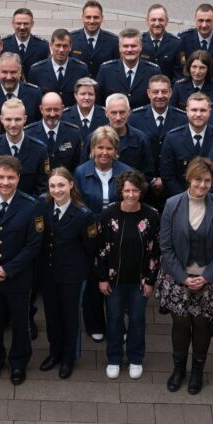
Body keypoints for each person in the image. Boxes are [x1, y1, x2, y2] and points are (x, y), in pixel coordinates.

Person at [157, 157, 213, 395]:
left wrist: (207, 276)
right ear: (189, 178)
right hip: (178, 277)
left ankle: (197, 370)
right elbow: (165, 247)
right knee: (180, 323)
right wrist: (182, 277)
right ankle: (178, 369)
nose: (202, 184)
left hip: (208, 278)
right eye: (198, 179)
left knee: (201, 325)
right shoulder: (172, 204)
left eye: (207, 181)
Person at [0, 155, 42, 385]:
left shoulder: (31, 205)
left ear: (18, 178)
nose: (5, 182)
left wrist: (7, 268)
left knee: (20, 322)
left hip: (18, 277)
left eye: (10, 177)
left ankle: (18, 363)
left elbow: (33, 245)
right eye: (1, 177)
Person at [95, 170, 160, 381]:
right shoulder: (108, 214)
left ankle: (135, 358)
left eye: (135, 190)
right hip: (114, 279)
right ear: (120, 191)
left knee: (137, 319)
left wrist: (150, 280)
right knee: (113, 318)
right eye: (127, 190)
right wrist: (102, 277)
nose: (131, 195)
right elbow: (101, 249)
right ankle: (114, 358)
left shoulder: (152, 215)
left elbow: (155, 251)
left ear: (141, 191)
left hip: (140, 280)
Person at [36, 168, 97, 379]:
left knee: (70, 317)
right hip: (48, 273)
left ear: (71, 185)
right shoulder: (42, 206)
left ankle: (69, 358)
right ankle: (55, 353)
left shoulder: (84, 215)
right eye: (52, 186)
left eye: (61, 185)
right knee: (52, 316)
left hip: (72, 275)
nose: (56, 190)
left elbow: (90, 248)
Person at [73, 126, 130, 342]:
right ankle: (95, 323)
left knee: (118, 279)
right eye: (100, 147)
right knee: (93, 278)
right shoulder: (80, 172)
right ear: (92, 149)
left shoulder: (125, 171)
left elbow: (131, 200)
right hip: (91, 233)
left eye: (109, 148)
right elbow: (78, 203)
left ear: (116, 150)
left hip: (119, 233)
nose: (104, 153)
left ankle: (117, 324)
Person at [159, 92, 213, 197]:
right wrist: (186, 198)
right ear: (187, 111)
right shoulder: (172, 138)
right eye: (194, 110)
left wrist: (209, 197)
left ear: (209, 112)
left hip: (212, 199)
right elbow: (168, 176)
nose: (198, 114)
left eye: (203, 110)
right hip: (181, 198)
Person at [0, 99, 49, 195]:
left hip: (30, 207)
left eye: (18, 119)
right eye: (8, 119)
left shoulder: (39, 149)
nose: (13, 124)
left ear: (25, 119)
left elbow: (42, 188)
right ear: (1, 119)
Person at [129, 75, 185, 185]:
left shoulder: (183, 119)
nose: (160, 96)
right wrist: (151, 180)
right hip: (143, 184)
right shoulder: (134, 118)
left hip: (174, 184)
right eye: (155, 92)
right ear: (148, 93)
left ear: (170, 92)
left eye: (164, 91)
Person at [91, 93, 154, 182]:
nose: (118, 117)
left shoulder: (140, 139)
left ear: (129, 112)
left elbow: (147, 174)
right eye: (113, 113)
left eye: (122, 112)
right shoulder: (94, 138)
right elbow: (85, 170)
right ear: (106, 113)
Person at [96, 28, 160, 109]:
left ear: (140, 47)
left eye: (133, 46)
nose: (129, 50)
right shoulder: (106, 70)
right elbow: (98, 101)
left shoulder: (153, 71)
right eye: (125, 46)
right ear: (119, 48)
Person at [29, 29, 90, 108]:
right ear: (51, 46)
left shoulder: (81, 69)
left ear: (70, 47)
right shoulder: (36, 70)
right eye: (58, 45)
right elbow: (33, 100)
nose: (61, 50)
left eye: (65, 46)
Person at [26, 92, 84, 173]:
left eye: (56, 110)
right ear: (41, 109)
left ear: (62, 109)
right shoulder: (29, 134)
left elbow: (78, 166)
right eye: (48, 110)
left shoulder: (74, 133)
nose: (52, 114)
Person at [0, 53, 43, 117]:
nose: (9, 77)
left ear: (20, 73)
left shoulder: (34, 94)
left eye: (13, 72)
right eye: (5, 72)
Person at [70, 0, 118, 77]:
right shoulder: (71, 39)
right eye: (88, 17)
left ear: (102, 18)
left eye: (96, 17)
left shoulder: (113, 41)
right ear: (82, 18)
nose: (92, 21)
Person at [140, 3, 182, 79]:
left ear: (167, 21)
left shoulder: (176, 43)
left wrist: (169, 90)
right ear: (147, 21)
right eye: (153, 20)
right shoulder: (139, 41)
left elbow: (179, 73)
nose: (157, 23)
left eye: (161, 20)